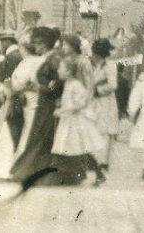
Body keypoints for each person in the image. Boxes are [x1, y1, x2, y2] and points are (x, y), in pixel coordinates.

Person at [10, 27, 63, 184]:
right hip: (44, 103)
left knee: (41, 137)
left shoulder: (53, 59)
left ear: (44, 44)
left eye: (38, 44)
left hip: (48, 103)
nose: (36, 47)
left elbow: (58, 83)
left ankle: (27, 172)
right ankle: (28, 172)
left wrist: (42, 88)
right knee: (40, 137)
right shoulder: (50, 58)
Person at [51, 45, 106, 187]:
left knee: (79, 149)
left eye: (61, 68)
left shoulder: (75, 84)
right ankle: (70, 175)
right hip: (68, 120)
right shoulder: (68, 84)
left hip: (75, 121)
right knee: (71, 149)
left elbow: (80, 103)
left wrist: (63, 111)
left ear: (69, 71)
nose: (58, 71)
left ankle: (98, 173)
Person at [10, 43, 43, 159]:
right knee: (33, 126)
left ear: (25, 50)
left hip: (30, 96)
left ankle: (23, 157)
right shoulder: (41, 59)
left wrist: (17, 87)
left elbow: (20, 82)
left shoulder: (27, 62)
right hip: (38, 96)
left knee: (28, 127)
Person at [89, 39, 119, 170]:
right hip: (95, 101)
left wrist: (97, 90)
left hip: (106, 101)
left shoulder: (110, 66)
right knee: (95, 128)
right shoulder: (95, 66)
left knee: (105, 131)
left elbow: (113, 85)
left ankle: (103, 162)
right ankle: (95, 160)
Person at [0, 32, 24, 149]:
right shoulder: (15, 55)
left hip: (10, 98)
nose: (0, 45)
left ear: (7, 42)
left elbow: (9, 79)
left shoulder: (11, 57)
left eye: (1, 42)